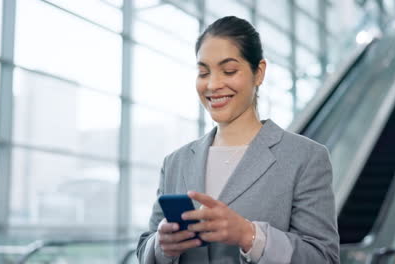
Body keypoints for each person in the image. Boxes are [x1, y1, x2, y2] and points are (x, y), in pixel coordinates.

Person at [136, 16, 339, 264]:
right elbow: (145, 247)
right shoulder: (175, 162)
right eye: (203, 72)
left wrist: (249, 235)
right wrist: (161, 244)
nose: (213, 84)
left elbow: (324, 258)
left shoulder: (305, 158)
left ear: (259, 72)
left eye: (229, 71)